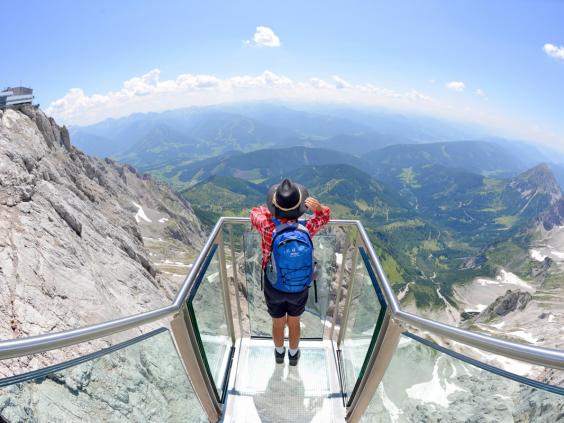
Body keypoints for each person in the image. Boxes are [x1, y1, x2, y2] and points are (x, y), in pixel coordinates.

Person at [250, 178, 330, 365]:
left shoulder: (267, 225)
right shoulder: (307, 228)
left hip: (274, 285)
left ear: (274, 206)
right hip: (299, 286)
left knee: (278, 322)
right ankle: (294, 356)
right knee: (294, 322)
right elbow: (324, 217)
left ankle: (279, 354)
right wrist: (319, 209)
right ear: (299, 207)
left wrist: (273, 207)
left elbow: (254, 213)